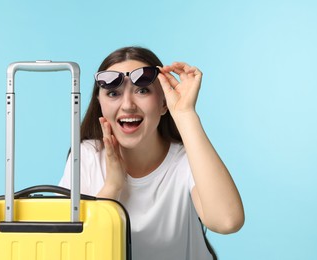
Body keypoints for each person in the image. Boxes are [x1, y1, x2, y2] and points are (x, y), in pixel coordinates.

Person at [59, 46, 244, 260]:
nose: (127, 105)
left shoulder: (186, 160)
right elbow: (71, 249)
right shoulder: (87, 156)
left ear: (164, 102)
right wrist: (112, 187)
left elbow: (227, 221)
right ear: (100, 103)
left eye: (142, 90)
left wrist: (184, 113)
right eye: (113, 93)